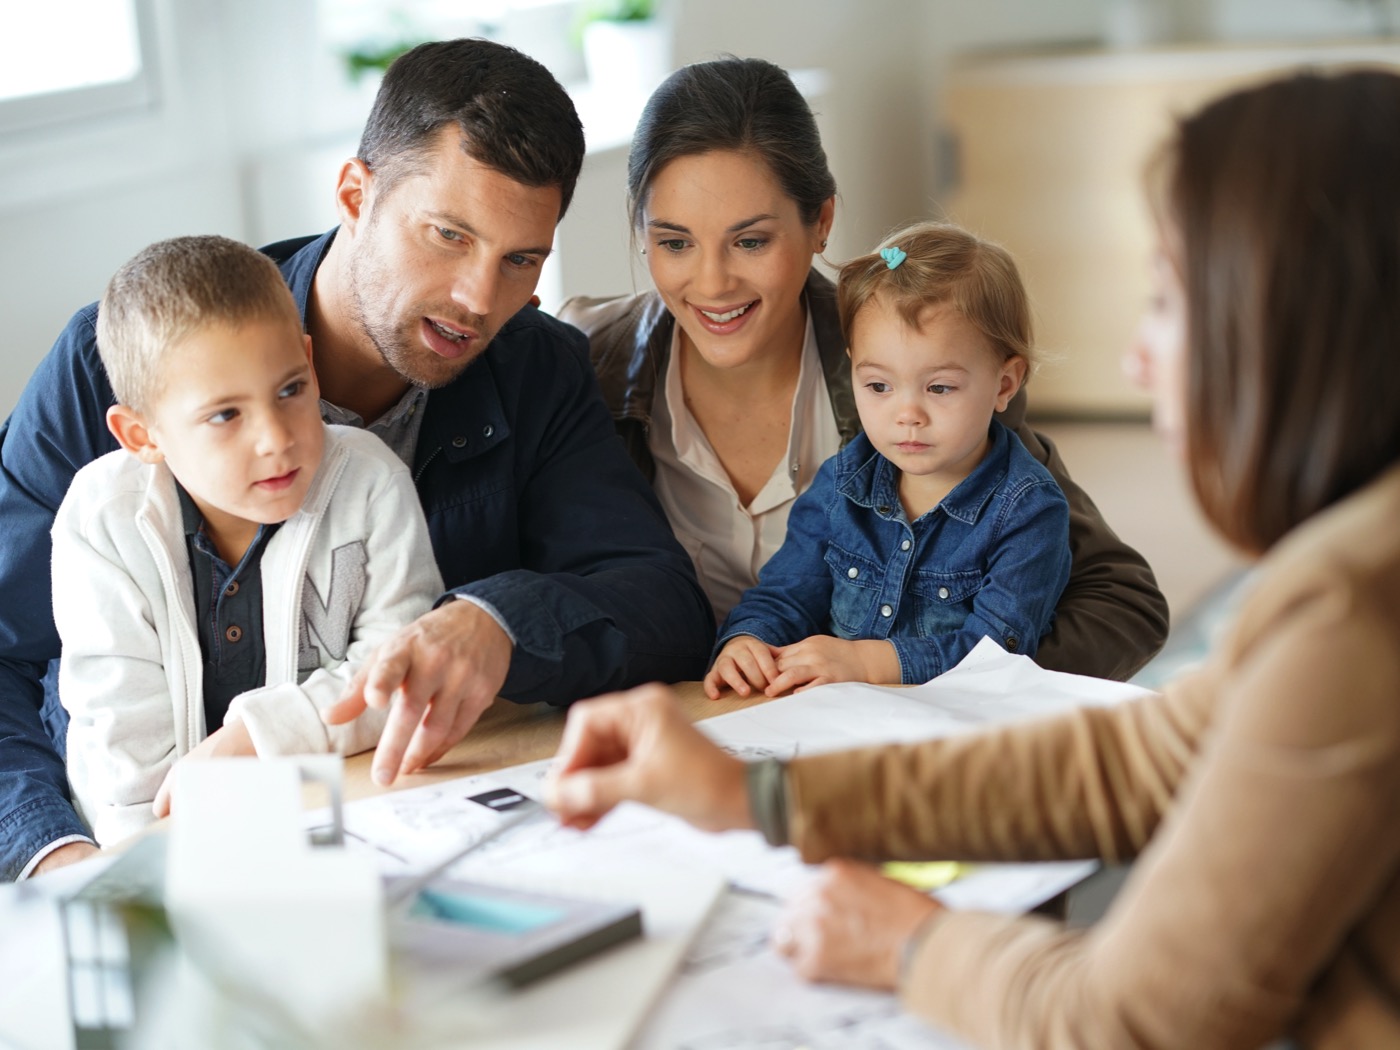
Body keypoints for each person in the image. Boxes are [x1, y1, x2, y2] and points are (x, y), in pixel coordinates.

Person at [546, 69, 1400, 1048]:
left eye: (1167, 298)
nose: (1134, 359)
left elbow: (1131, 1017)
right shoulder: (1335, 572)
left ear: (1297, 325)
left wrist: (913, 946)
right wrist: (759, 797)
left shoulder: (1347, 614)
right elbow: (1141, 759)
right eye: (672, 240)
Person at [0, 38, 714, 880]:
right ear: (354, 193)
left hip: (385, 847)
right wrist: (56, 859)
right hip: (124, 856)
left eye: (521, 261)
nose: (480, 301)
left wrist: (496, 624)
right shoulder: (114, 362)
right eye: (448, 236)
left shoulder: (533, 369)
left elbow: (662, 603)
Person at [559, 56, 1167, 682]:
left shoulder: (928, 359)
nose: (712, 283)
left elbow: (1124, 604)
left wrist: (912, 671)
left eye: (751, 241)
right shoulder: (584, 363)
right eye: (675, 242)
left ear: (820, 221)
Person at [52, 236, 445, 846]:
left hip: (340, 815)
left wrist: (255, 739)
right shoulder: (102, 520)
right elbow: (121, 753)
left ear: (310, 365)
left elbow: (401, 672)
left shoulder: (371, 481)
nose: (275, 439)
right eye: (225, 415)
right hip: (156, 844)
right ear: (141, 434)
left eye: (290, 390)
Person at [707, 222, 1070, 698]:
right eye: (878, 386)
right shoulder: (841, 484)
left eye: (939, 387)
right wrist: (749, 639)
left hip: (960, 736)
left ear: (1004, 384)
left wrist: (868, 661)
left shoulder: (1028, 511)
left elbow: (999, 652)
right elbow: (787, 594)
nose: (907, 416)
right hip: (842, 723)